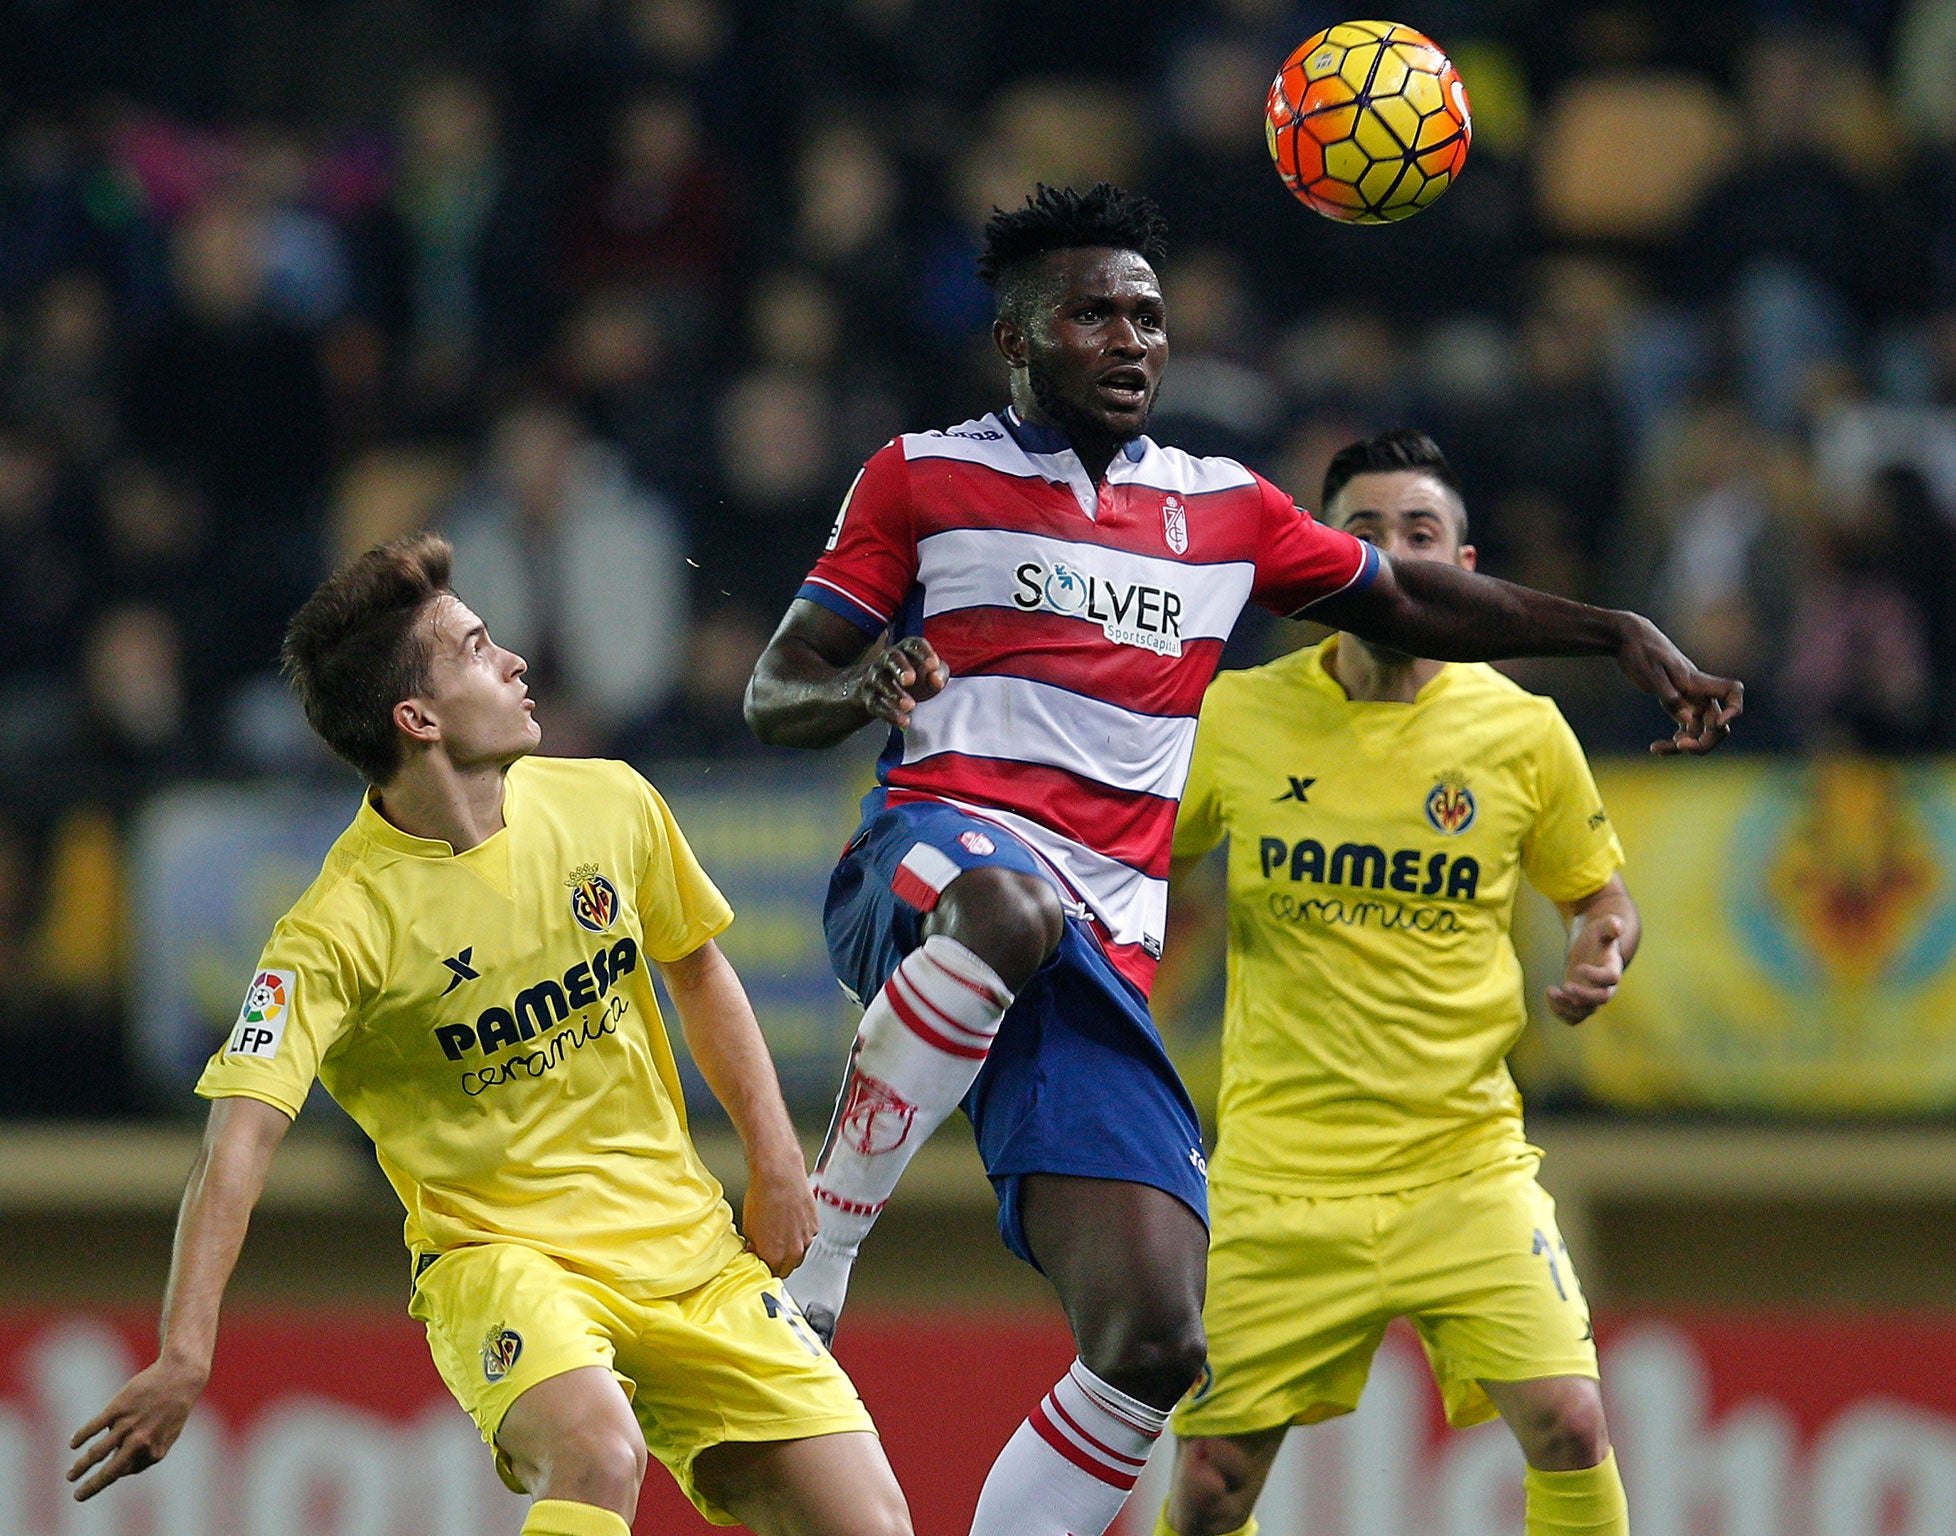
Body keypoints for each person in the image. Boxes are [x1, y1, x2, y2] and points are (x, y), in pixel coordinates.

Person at [744, 184, 1736, 1536]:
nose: (1132, 340)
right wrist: (862, 687)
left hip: (1096, 956)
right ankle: (821, 1261)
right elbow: (773, 692)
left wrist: (1614, 627)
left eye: (1148, 317)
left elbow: (1415, 600)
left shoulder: (1224, 510)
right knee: (1012, 902)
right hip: (928, 873)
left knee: (1156, 1345)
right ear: (1018, 340)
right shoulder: (920, 474)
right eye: (1094, 314)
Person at [66, 534, 913, 1536]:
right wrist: (186, 1351)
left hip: (686, 1250)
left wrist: (774, 1161)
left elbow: (695, 966)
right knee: (598, 1450)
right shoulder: (337, 929)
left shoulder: (608, 801)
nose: (513, 661)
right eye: (475, 648)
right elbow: (234, 1143)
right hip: (504, 1263)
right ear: (416, 719)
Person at [1161, 430, 1637, 1536]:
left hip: (1460, 1164)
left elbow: (1598, 896)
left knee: (1569, 1423)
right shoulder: (1234, 717)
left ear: (1462, 574)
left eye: (1418, 534)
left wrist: (1600, 944)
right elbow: (1138, 874)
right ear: (1316, 562)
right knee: (1208, 1486)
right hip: (1278, 1178)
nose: (1390, 555)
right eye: (1359, 532)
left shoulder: (1520, 732)